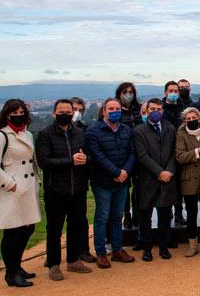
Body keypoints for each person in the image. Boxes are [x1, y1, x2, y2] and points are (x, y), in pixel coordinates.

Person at [0, 99, 42, 287]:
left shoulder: (28, 134)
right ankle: (11, 272)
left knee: (28, 228)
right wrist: (12, 185)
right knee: (12, 232)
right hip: (11, 190)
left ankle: (16, 265)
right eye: (14, 112)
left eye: (21, 112)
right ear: (6, 114)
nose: (19, 115)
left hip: (28, 188)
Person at [36, 99, 93, 280]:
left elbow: (89, 156)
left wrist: (86, 160)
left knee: (75, 226)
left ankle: (73, 260)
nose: (66, 114)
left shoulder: (79, 133)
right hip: (55, 190)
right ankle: (53, 264)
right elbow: (44, 161)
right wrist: (70, 160)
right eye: (61, 111)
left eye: (69, 111)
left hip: (77, 188)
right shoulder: (45, 134)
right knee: (54, 228)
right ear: (54, 113)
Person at [86, 98, 136, 268]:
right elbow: (97, 156)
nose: (115, 111)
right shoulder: (93, 131)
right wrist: (116, 172)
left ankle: (117, 249)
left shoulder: (126, 130)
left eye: (117, 108)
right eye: (111, 108)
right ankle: (101, 252)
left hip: (122, 181)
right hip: (103, 182)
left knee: (117, 217)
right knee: (102, 217)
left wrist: (125, 172)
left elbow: (132, 153)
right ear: (104, 111)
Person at [132, 98, 178, 261]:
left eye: (158, 109)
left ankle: (164, 247)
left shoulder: (170, 128)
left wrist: (169, 171)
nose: (155, 111)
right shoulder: (139, 131)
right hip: (147, 180)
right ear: (147, 110)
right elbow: (142, 156)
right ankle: (146, 248)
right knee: (145, 217)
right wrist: (159, 172)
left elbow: (174, 152)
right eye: (152, 109)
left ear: (163, 111)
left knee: (165, 216)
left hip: (167, 179)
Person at [175, 107, 200, 257]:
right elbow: (180, 156)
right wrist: (199, 152)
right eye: (188, 119)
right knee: (191, 213)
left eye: (194, 117)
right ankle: (192, 244)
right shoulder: (181, 134)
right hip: (189, 179)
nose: (191, 120)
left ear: (199, 117)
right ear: (184, 121)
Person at [70, 96, 98, 263]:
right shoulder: (50, 131)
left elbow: (92, 155)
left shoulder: (85, 130)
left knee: (81, 218)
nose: (76, 113)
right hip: (59, 181)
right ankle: (54, 253)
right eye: (74, 109)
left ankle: (84, 250)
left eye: (80, 110)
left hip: (80, 179)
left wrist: (86, 159)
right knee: (56, 222)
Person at [115, 82, 143, 229]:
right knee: (124, 187)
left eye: (131, 92)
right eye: (125, 92)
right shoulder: (116, 110)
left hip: (138, 152)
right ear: (119, 93)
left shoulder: (139, 109)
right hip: (123, 154)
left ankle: (137, 214)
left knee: (138, 187)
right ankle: (126, 214)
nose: (128, 95)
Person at [160, 81, 185, 226]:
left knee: (180, 186)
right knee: (168, 185)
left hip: (181, 149)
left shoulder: (183, 108)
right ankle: (168, 214)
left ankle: (179, 214)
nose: (174, 93)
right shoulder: (161, 109)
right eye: (171, 91)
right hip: (166, 151)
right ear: (165, 92)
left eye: (176, 91)